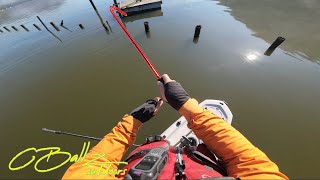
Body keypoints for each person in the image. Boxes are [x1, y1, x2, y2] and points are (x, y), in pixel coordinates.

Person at [62, 74, 288, 179]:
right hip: (196, 154)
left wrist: (132, 121)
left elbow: (94, 165)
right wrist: (187, 107)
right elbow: (253, 164)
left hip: (155, 149)